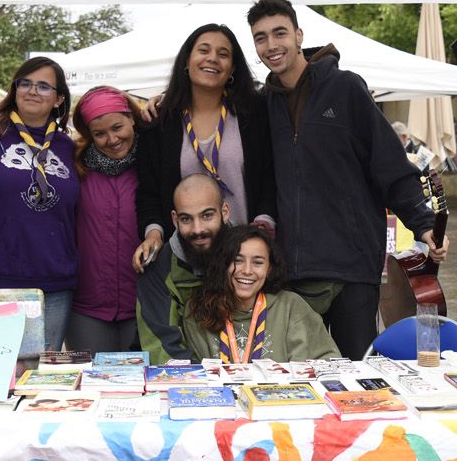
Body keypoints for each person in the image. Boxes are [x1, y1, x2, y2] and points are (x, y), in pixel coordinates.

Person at [247, 0, 446, 359]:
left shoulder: (345, 88)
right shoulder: (265, 105)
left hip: (351, 266)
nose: (272, 45)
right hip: (293, 271)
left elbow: (389, 164)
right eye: (261, 38)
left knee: (356, 371)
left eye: (280, 33)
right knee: (295, 372)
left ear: (298, 34)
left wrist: (423, 223)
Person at [134, 23, 275, 271]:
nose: (213, 58)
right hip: (186, 256)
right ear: (187, 62)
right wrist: (153, 233)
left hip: (246, 258)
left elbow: (269, 177)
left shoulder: (255, 114)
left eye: (223, 54)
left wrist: (263, 222)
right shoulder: (159, 122)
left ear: (232, 68)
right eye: (204, 50)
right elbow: (149, 192)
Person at [0, 56, 78, 350]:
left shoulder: (68, 147)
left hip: (55, 282)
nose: (33, 91)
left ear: (58, 99)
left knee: (41, 378)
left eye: (44, 86)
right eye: (26, 83)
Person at [183, 225, 337, 363]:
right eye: (237, 260)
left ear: (269, 269)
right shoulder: (199, 310)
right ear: (223, 264)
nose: (247, 270)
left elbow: (330, 362)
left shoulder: (291, 307)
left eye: (257, 262)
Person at [68, 86, 142, 352]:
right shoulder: (75, 169)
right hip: (88, 308)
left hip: (142, 305)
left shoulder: (151, 165)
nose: (112, 139)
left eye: (117, 127)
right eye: (100, 134)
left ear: (132, 117)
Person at [138, 174, 231, 363]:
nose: (198, 229)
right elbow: (162, 347)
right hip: (189, 381)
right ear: (174, 220)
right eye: (186, 219)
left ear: (225, 212)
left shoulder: (250, 256)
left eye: (207, 216)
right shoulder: (157, 267)